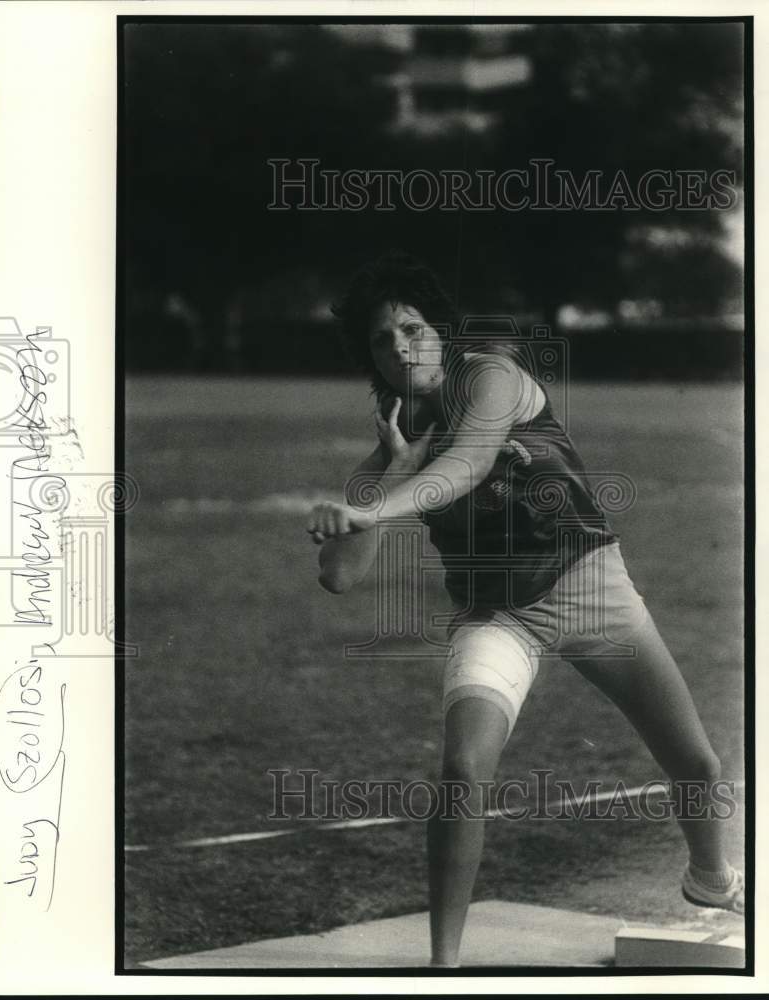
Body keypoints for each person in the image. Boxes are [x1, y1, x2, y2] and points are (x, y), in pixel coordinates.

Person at [307, 251, 743, 968]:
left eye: (411, 329)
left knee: (695, 762)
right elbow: (341, 578)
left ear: (440, 334)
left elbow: (470, 463)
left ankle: (709, 878)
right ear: (370, 361)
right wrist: (388, 471)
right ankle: (443, 965)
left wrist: (379, 503)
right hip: (497, 616)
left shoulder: (492, 375)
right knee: (461, 769)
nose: (400, 348)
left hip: (590, 586)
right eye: (381, 341)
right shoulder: (388, 453)